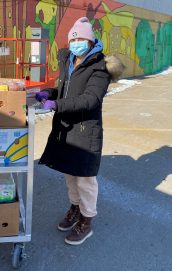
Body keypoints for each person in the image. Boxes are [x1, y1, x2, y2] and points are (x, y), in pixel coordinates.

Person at [36, 17, 125, 245]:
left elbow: (90, 100)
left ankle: (86, 221)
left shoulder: (99, 67)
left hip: (86, 130)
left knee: (85, 179)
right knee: (70, 175)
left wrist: (57, 106)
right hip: (66, 130)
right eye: (73, 39)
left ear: (90, 41)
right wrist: (49, 93)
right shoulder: (70, 61)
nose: (76, 43)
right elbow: (64, 90)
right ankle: (74, 209)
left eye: (81, 39)